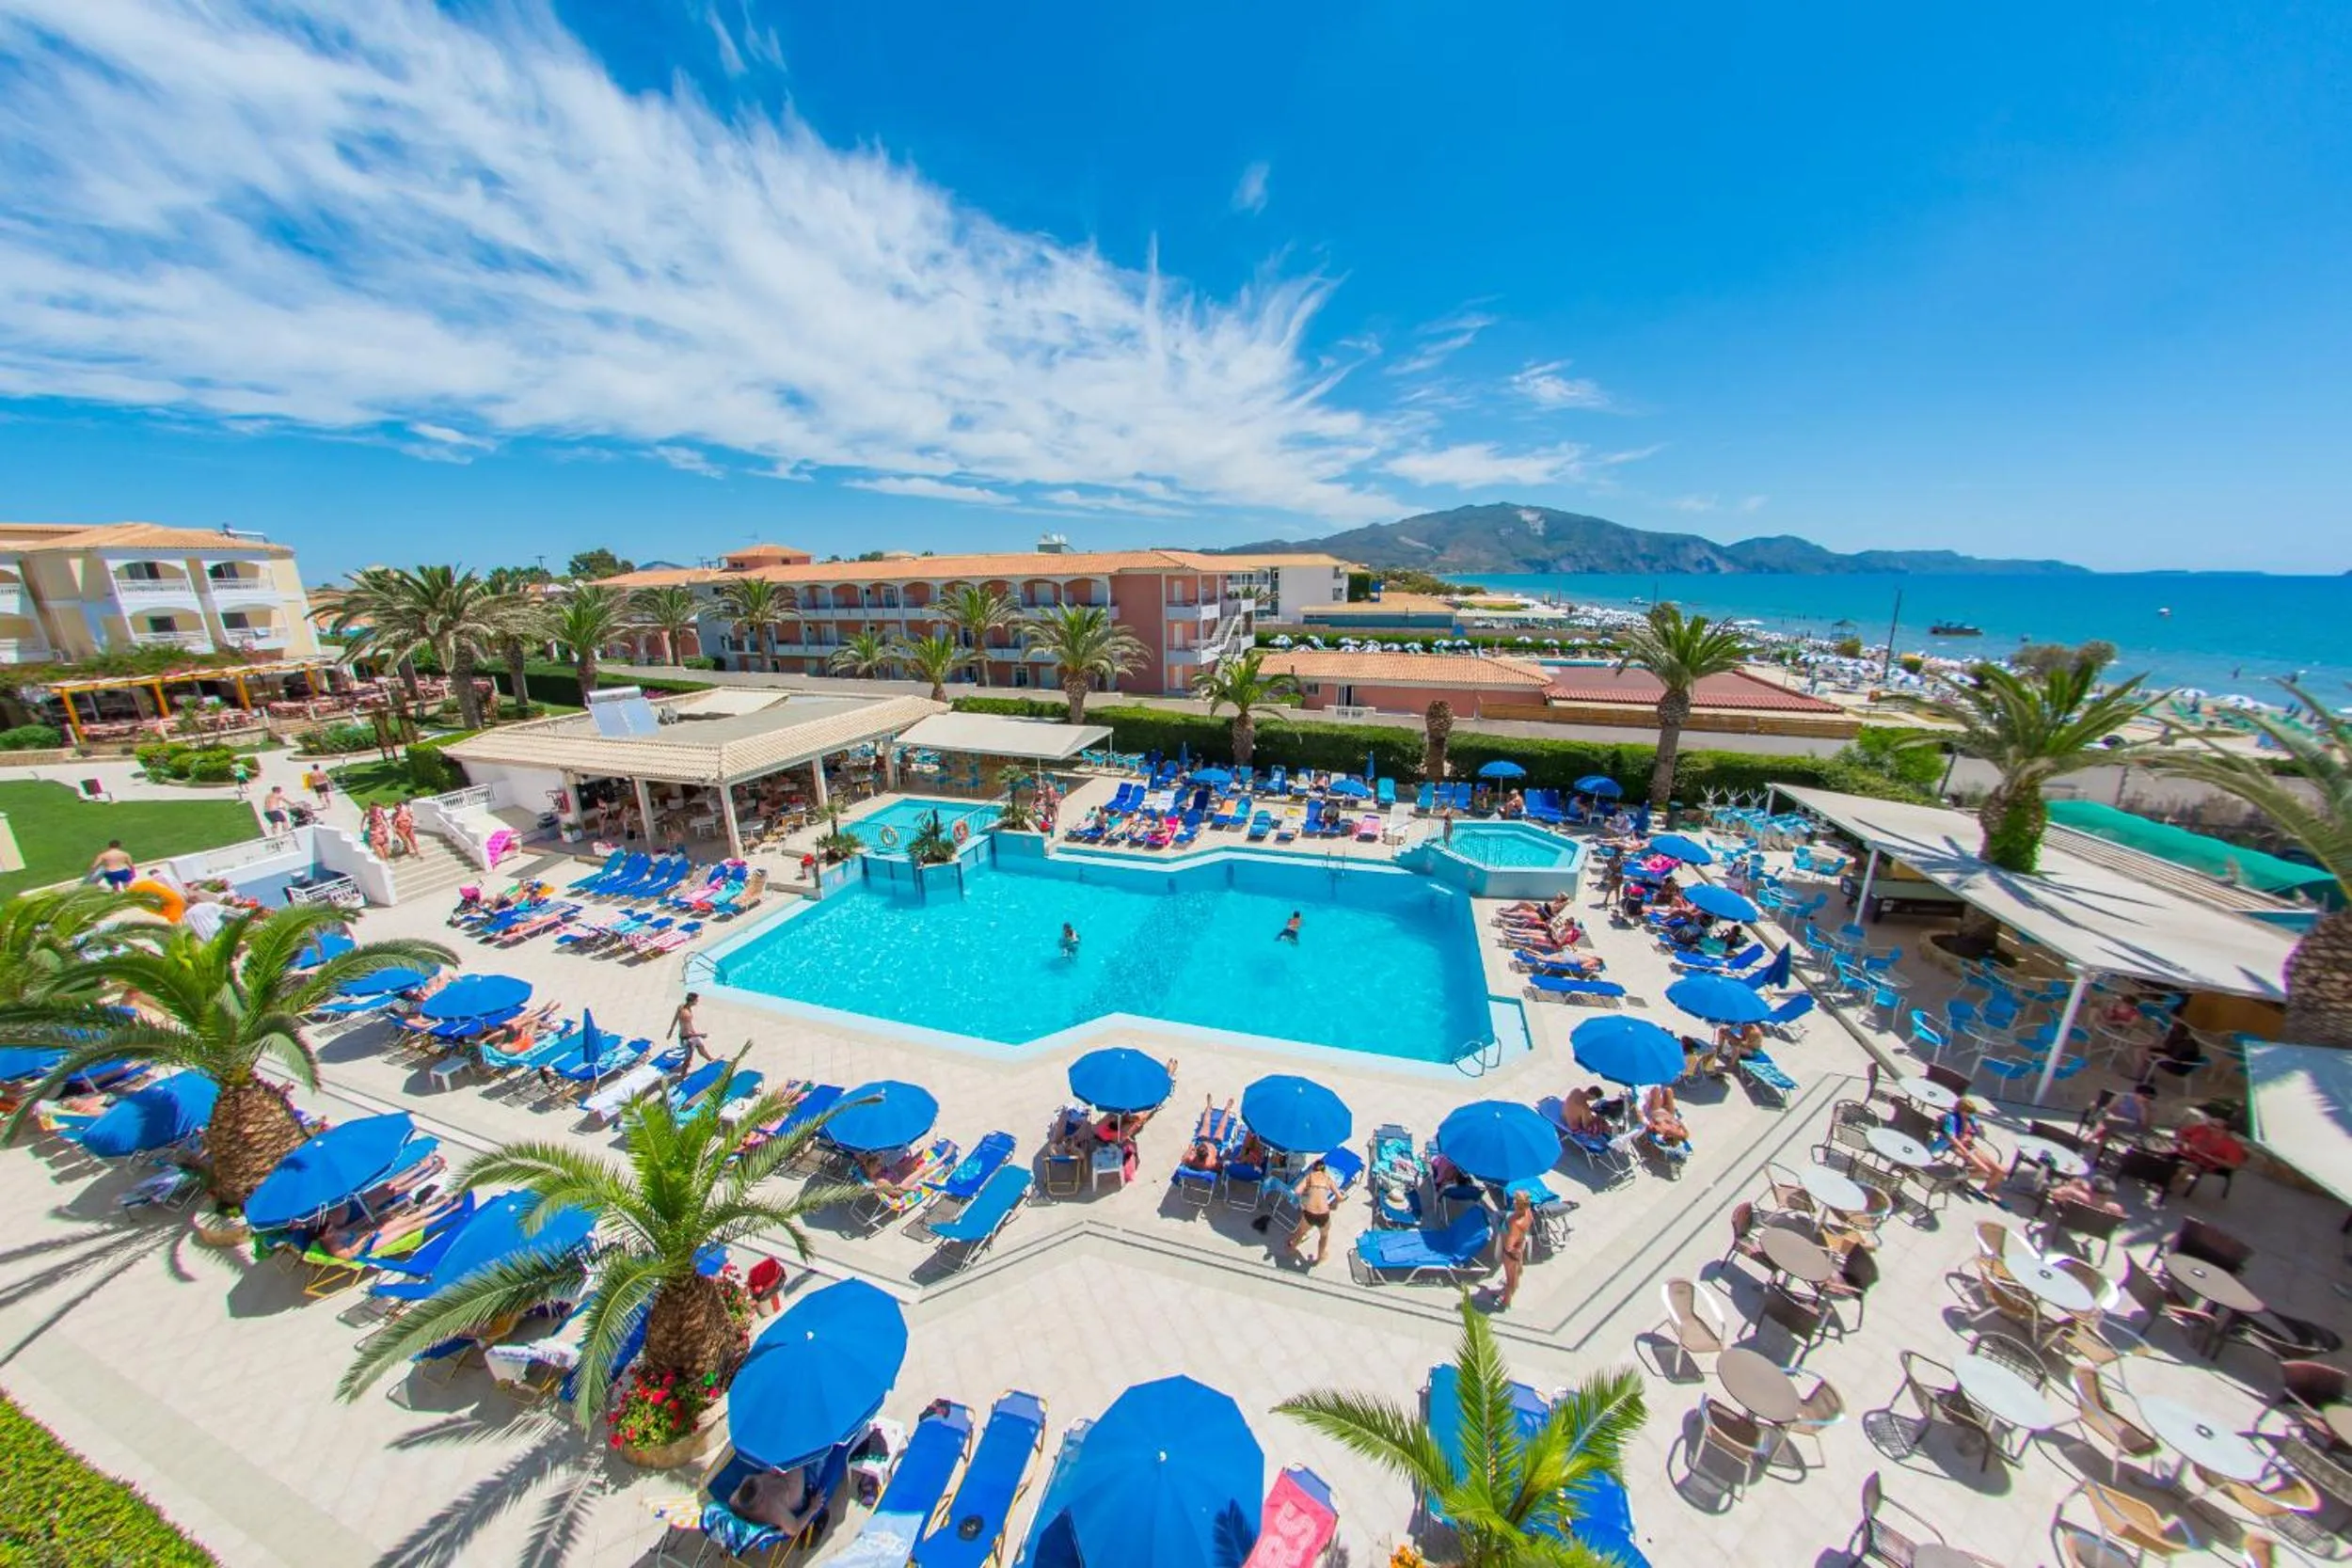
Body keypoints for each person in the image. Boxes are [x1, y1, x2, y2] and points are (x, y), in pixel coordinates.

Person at [1931, 1102, 2007, 1199]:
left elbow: (1979, 1132)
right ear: (1962, 1110)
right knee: (1986, 1171)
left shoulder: (1971, 1118)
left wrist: (1976, 1131)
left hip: (1969, 1146)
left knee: (2002, 1171)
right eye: (1968, 1112)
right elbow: (1951, 1138)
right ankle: (1953, 1178)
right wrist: (1964, 1150)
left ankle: (1987, 1190)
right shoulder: (1951, 1118)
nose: (1970, 1115)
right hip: (1955, 1146)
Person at [730, 1464, 819, 1534]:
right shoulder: (774, 1511)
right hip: (790, 1487)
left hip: (777, 1477)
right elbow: (794, 1529)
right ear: (762, 1498)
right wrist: (812, 1509)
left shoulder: (734, 1501)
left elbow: (748, 1480)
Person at [1285, 1159, 1341, 1266]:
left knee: (1301, 1231)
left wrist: (1305, 1194)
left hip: (1309, 1211)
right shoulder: (1328, 1179)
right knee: (1324, 1236)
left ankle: (1292, 1248)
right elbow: (1339, 1197)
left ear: (1313, 1169)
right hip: (1323, 1214)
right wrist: (1335, 1203)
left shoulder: (1309, 1178)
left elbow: (1296, 1191)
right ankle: (1320, 1257)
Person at [2089, 1083, 2156, 1148]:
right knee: (2107, 1125)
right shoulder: (2124, 1097)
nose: (2148, 1099)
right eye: (2146, 1096)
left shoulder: (2149, 1107)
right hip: (2114, 1119)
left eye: (2151, 1098)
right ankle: (2097, 1147)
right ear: (2137, 1094)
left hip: (2130, 1126)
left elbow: (2145, 1125)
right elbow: (2109, 1108)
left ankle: (2090, 1140)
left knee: (2107, 1125)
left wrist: (2144, 1109)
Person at [1496, 1190, 1533, 1309]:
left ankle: (1506, 1302)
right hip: (1520, 1245)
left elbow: (1508, 1246)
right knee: (1516, 1272)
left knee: (1510, 1278)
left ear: (1518, 1204)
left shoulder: (1515, 1223)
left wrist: (1513, 1251)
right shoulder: (1528, 1213)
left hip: (1511, 1254)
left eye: (1516, 1200)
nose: (1514, 1201)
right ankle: (1513, 1287)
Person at [2047, 1173, 2126, 1216]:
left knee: (2074, 1183)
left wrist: (2070, 1186)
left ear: (2091, 1189)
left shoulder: (2072, 1193)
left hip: (2070, 1216)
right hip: (2094, 1226)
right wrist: (2086, 1191)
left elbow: (2055, 1194)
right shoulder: (2115, 1209)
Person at [669, 993, 711, 1072]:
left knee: (701, 1047)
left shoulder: (681, 1006)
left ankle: (711, 1060)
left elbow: (675, 1018)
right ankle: (683, 1075)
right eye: (696, 1000)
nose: (697, 1001)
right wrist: (701, 1034)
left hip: (691, 1035)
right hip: (687, 1040)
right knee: (688, 1060)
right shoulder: (686, 1015)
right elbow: (686, 1033)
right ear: (692, 1001)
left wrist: (670, 1031)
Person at [1642, 1085, 1690, 1150]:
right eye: (1680, 1127)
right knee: (1668, 1091)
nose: (1679, 1127)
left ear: (1670, 1136)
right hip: (1669, 1114)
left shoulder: (1661, 1130)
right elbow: (1679, 1123)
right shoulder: (1678, 1128)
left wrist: (1652, 1124)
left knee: (1656, 1090)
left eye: (1678, 1129)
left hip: (1657, 1113)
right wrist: (1677, 1123)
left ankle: (1656, 1094)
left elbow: (1649, 1126)